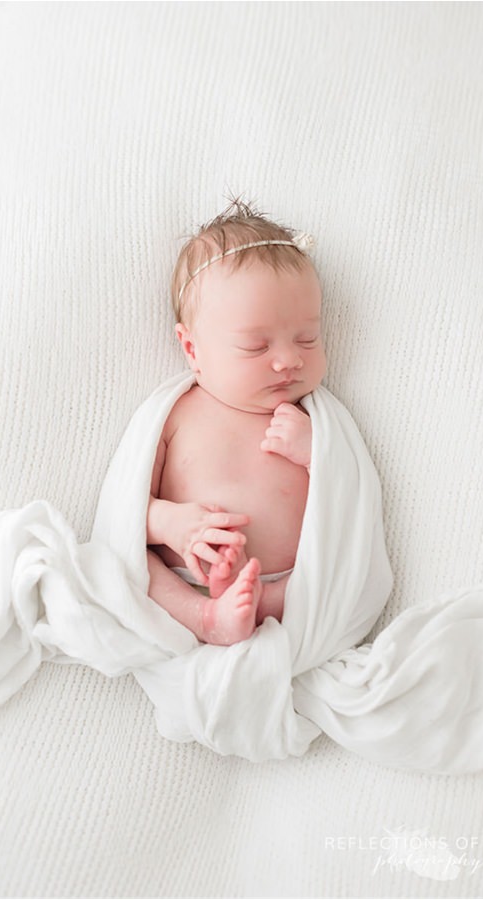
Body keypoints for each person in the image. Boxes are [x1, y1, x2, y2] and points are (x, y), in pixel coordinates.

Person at [145, 200, 324, 645]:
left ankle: (258, 604)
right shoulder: (175, 414)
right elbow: (126, 508)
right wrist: (171, 523)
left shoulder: (313, 421)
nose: (288, 360)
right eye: (254, 347)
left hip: (285, 583)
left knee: (327, 571)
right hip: (183, 572)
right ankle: (204, 615)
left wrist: (317, 454)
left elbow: (350, 503)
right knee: (134, 567)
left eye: (308, 338)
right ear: (192, 349)